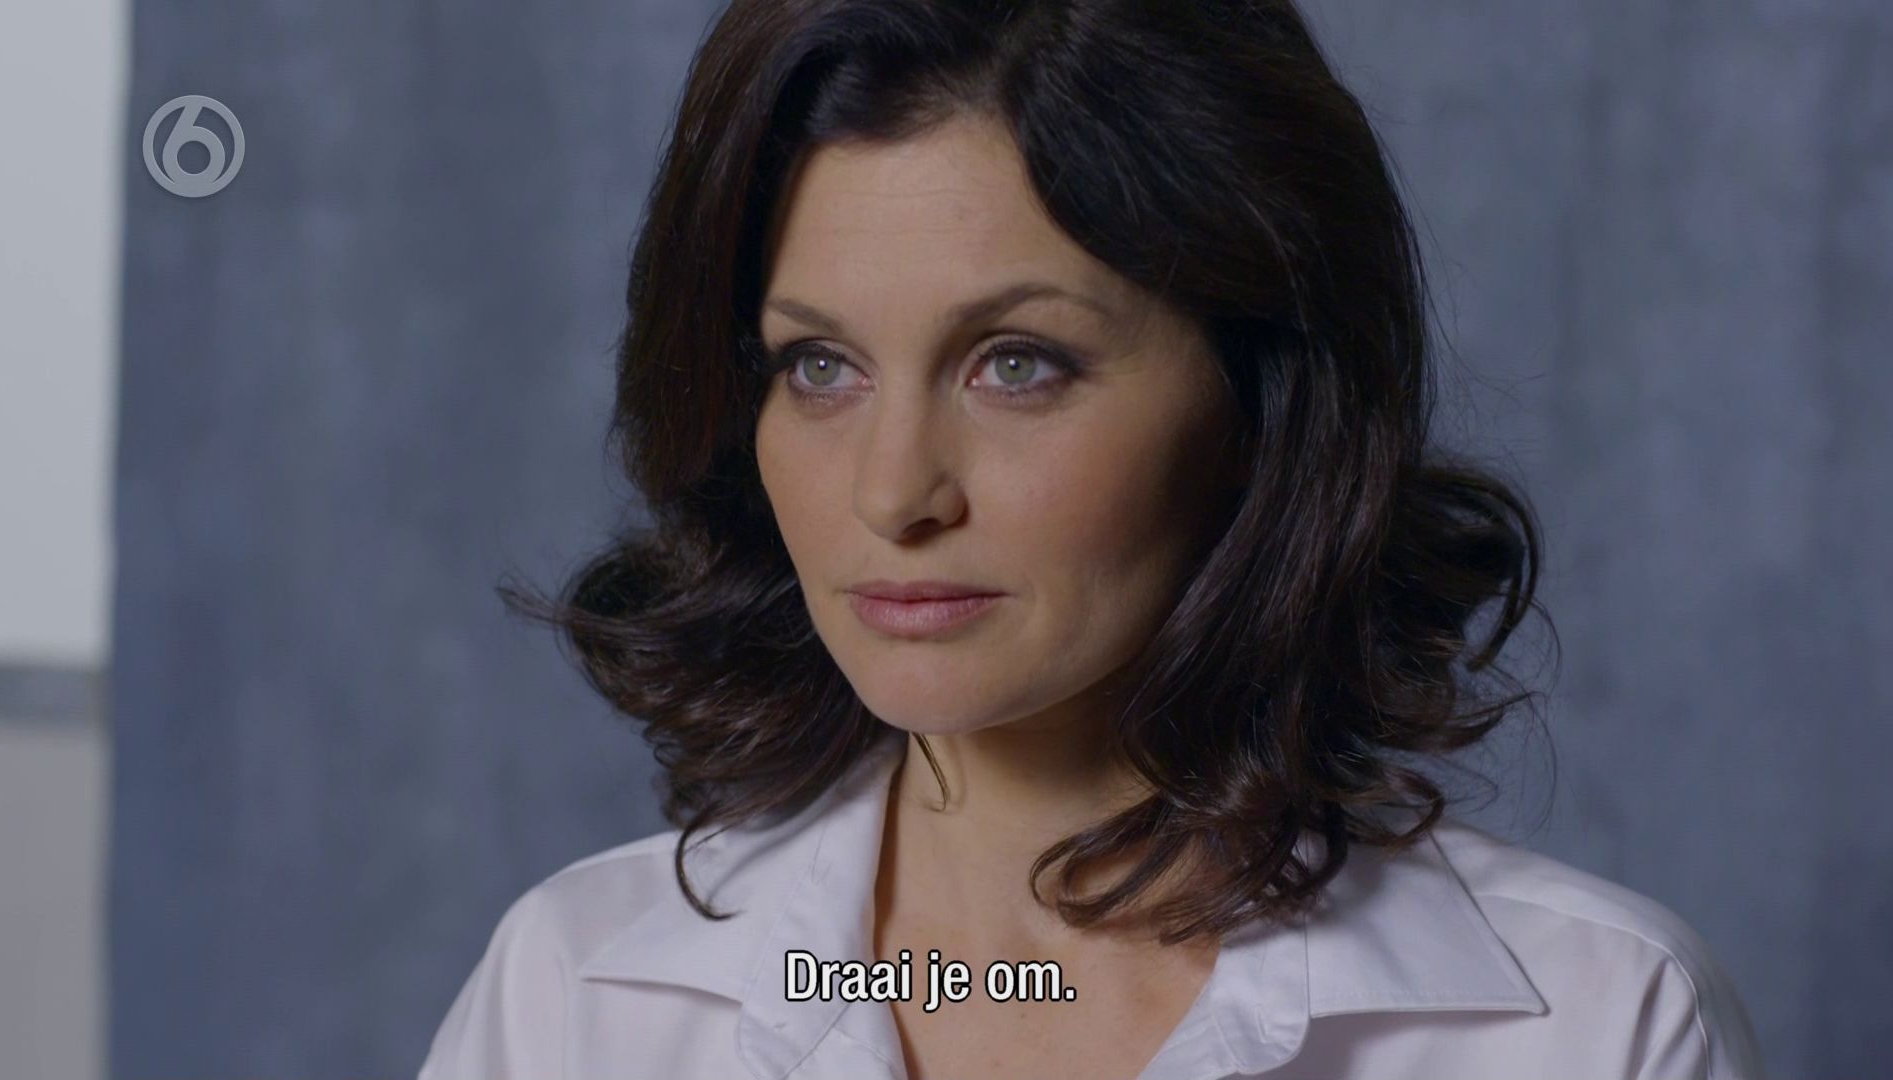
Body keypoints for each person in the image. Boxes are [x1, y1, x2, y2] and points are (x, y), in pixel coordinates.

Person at [418, 1, 1767, 1077]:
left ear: (1262, 392)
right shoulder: (576, 1005)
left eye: (1017, 363)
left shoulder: (1593, 1029)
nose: (893, 495)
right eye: (820, 367)